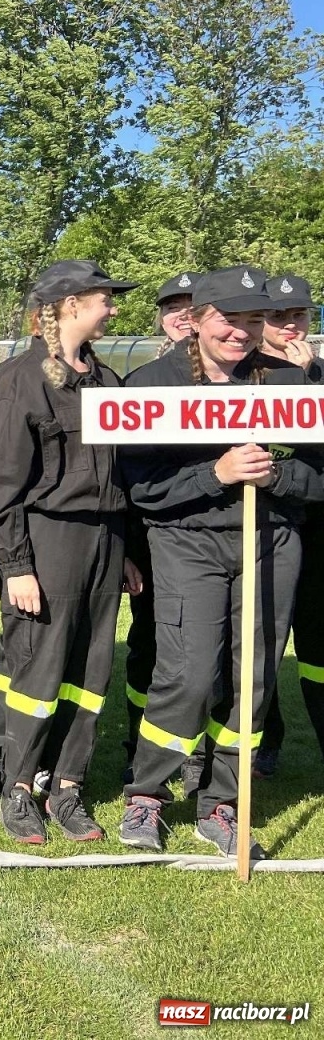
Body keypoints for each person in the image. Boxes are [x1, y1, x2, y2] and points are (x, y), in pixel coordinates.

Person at [119, 267, 324, 857]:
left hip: (273, 540)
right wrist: (216, 473)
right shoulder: (151, 384)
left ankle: (223, 803)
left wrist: (278, 474)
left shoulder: (291, 383)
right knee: (187, 672)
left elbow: (319, 477)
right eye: (229, 320)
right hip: (188, 542)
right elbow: (140, 487)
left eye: (253, 321)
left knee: (253, 677)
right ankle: (148, 794)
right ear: (198, 319)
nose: (241, 333)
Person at [0, 261, 142, 844]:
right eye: (104, 300)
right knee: (37, 667)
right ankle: (19, 786)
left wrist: (120, 552)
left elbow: (114, 477)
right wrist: (16, 565)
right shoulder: (22, 379)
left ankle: (67, 785)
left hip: (104, 540)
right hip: (46, 541)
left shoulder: (106, 382)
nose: (113, 309)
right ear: (70, 305)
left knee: (91, 669)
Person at [121, 271, 203, 781]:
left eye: (193, 306)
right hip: (151, 538)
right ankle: (141, 738)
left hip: (213, 540)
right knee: (150, 644)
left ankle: (200, 755)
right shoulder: (140, 384)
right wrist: (127, 550)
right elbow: (124, 481)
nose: (183, 315)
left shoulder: (243, 381)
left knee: (205, 653)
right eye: (173, 307)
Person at [255, 274, 323, 776]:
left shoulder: (319, 371)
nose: (288, 325)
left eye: (297, 315)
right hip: (264, 527)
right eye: (277, 317)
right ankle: (265, 744)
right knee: (262, 646)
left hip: (317, 528)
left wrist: (311, 379)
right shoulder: (242, 377)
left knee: (317, 648)